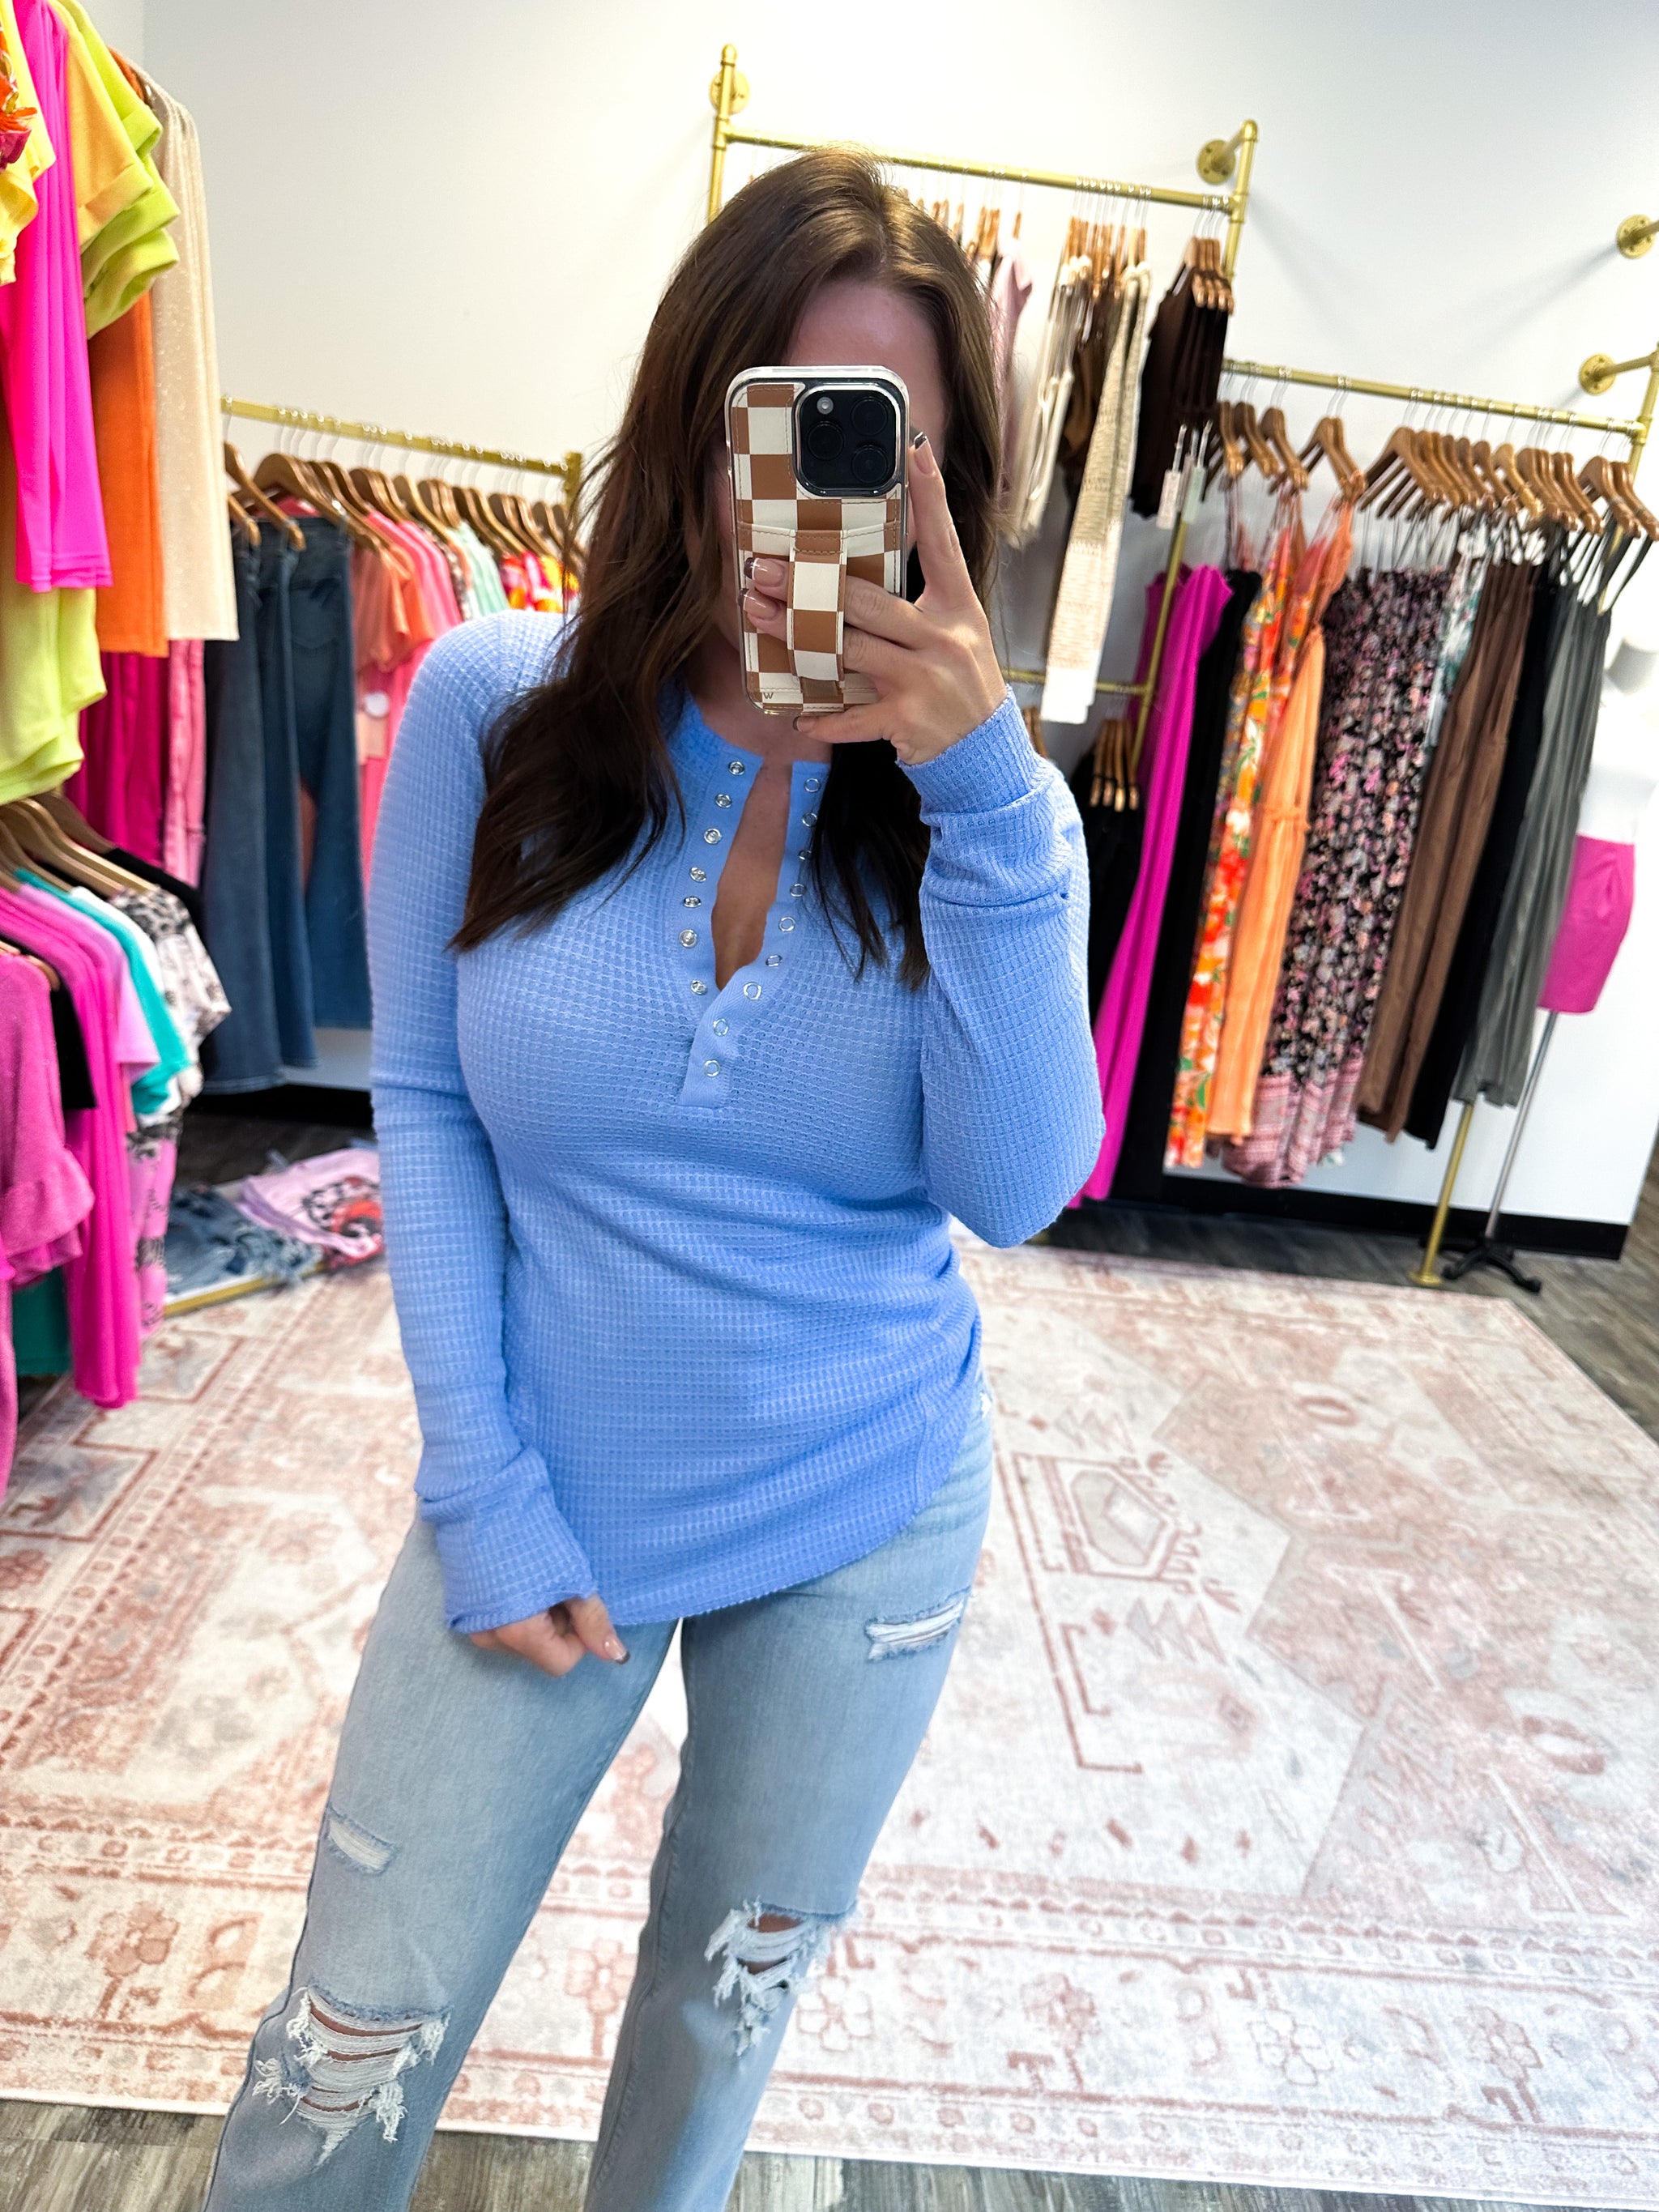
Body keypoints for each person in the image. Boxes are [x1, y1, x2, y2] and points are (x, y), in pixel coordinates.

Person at [202, 147, 1102, 2212]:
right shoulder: (493, 706)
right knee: (348, 2035)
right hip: (549, 1473)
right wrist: (479, 1483)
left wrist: (978, 793)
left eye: (883, 443)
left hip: (867, 1497)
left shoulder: (988, 809)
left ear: (948, 491)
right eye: (777, 416)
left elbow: (1017, 1187)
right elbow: (425, 1100)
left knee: (719, 2020)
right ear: (693, 418)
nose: (810, 495)